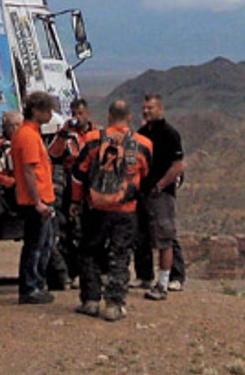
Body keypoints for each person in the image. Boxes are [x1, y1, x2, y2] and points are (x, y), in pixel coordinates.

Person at [72, 99, 152, 321]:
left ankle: (90, 300)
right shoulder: (143, 144)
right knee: (120, 254)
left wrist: (76, 202)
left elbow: (78, 175)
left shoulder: (91, 140)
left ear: (108, 117)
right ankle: (114, 305)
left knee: (89, 251)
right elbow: (145, 175)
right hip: (125, 209)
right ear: (129, 118)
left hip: (95, 207)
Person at [136, 93, 186, 300]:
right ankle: (145, 276)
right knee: (143, 235)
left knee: (165, 235)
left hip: (161, 193)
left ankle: (170, 279)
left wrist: (161, 185)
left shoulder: (169, 134)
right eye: (145, 107)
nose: (146, 111)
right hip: (143, 192)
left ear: (160, 109)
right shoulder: (142, 133)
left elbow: (178, 165)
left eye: (151, 107)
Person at [11, 91, 58, 304]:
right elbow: (29, 171)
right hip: (34, 201)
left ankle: (36, 284)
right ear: (36, 111)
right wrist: (38, 202)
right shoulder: (28, 136)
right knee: (36, 245)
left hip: (39, 198)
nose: (50, 114)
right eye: (47, 110)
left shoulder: (30, 133)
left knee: (42, 243)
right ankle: (30, 287)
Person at [44, 97, 90, 292]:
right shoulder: (66, 134)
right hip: (69, 183)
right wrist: (63, 133)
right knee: (67, 231)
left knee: (86, 232)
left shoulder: (96, 133)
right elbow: (52, 154)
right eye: (73, 114)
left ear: (87, 113)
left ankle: (87, 273)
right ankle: (69, 273)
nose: (76, 118)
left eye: (80, 114)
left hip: (90, 183)